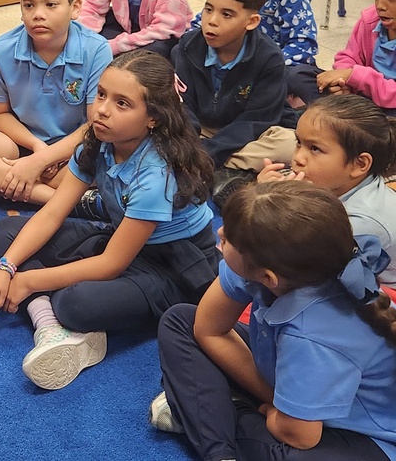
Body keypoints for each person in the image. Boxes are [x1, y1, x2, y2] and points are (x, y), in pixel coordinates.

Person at [0, 50, 218, 390]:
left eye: (122, 103)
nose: (103, 109)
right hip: (121, 239)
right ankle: (50, 322)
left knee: (76, 303)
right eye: (102, 94)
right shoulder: (99, 141)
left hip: (174, 264)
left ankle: (49, 311)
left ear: (153, 118)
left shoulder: (155, 175)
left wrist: (29, 281)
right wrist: (6, 266)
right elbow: (52, 212)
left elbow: (110, 264)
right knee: (7, 232)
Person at [152, 182, 396, 461]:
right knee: (180, 320)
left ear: (268, 277)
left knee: (290, 456)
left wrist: (271, 411)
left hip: (365, 437)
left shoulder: (313, 336)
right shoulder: (271, 266)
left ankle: (212, 414)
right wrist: (275, 400)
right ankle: (220, 443)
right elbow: (208, 329)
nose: (220, 232)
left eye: (229, 238)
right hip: (292, 387)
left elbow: (301, 437)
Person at [0, 0, 113, 205]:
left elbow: (94, 123)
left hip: (77, 146)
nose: (38, 15)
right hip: (21, 143)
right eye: (29, 5)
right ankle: (66, 202)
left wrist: (42, 161)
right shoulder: (0, 50)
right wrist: (36, 148)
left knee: (119, 155)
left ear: (75, 7)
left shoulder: (97, 50)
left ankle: (20, 183)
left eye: (51, 4)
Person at [171, 0, 298, 204]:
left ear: (251, 22)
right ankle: (225, 170)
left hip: (249, 134)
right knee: (157, 128)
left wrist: (205, 152)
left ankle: (212, 167)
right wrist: (191, 140)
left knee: (289, 145)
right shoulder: (188, 46)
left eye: (226, 14)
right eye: (208, 9)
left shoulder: (269, 58)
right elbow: (182, 104)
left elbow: (258, 120)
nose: (211, 21)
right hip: (203, 128)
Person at [257, 94, 396, 284]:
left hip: (381, 296)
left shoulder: (362, 222)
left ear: (359, 164)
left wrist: (272, 204)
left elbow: (300, 264)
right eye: (299, 142)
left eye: (314, 149)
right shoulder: (337, 185)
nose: (298, 158)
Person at [318, 0, 396, 110]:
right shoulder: (370, 21)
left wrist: (357, 76)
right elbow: (348, 57)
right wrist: (342, 83)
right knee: (299, 75)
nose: (380, 5)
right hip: (364, 100)